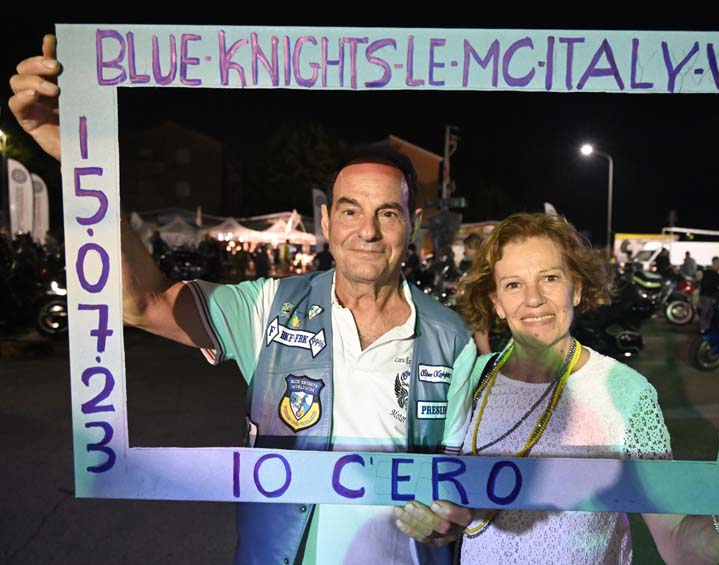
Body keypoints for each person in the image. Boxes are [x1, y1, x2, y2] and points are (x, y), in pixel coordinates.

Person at [9, 35, 477, 565]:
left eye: (387, 213)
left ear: (412, 225)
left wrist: (451, 517)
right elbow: (141, 303)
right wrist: (82, 162)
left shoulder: (452, 337)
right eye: (350, 211)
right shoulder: (270, 305)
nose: (367, 230)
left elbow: (456, 480)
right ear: (326, 222)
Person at [393, 213, 719, 564]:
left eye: (550, 278)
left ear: (577, 288)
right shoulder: (470, 379)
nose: (533, 299)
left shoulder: (627, 393)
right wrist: (438, 526)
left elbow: (676, 544)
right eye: (513, 284)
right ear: (496, 301)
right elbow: (458, 515)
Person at [699, 256, 719, 333]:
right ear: (715, 263)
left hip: (707, 296)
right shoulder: (711, 273)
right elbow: (712, 285)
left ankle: (705, 328)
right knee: (706, 312)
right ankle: (703, 329)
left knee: (709, 313)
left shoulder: (709, 272)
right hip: (708, 296)